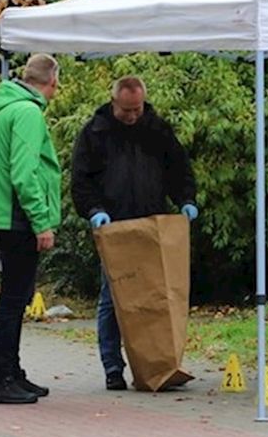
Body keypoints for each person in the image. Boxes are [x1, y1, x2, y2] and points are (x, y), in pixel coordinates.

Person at [71, 76, 198, 391]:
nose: (131, 116)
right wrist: (93, 210)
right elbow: (81, 179)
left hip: (152, 223)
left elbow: (178, 168)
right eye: (126, 110)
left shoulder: (157, 130)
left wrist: (186, 200)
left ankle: (160, 362)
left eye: (137, 109)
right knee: (113, 297)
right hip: (114, 226)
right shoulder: (94, 134)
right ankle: (113, 366)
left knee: (158, 293)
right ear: (114, 102)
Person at [0, 53, 62, 404]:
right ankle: (2, 380)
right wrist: (41, 222)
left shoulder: (1, 108)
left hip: (0, 214)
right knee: (13, 301)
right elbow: (24, 172)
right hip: (18, 219)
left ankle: (12, 372)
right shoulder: (28, 113)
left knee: (13, 299)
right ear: (52, 82)